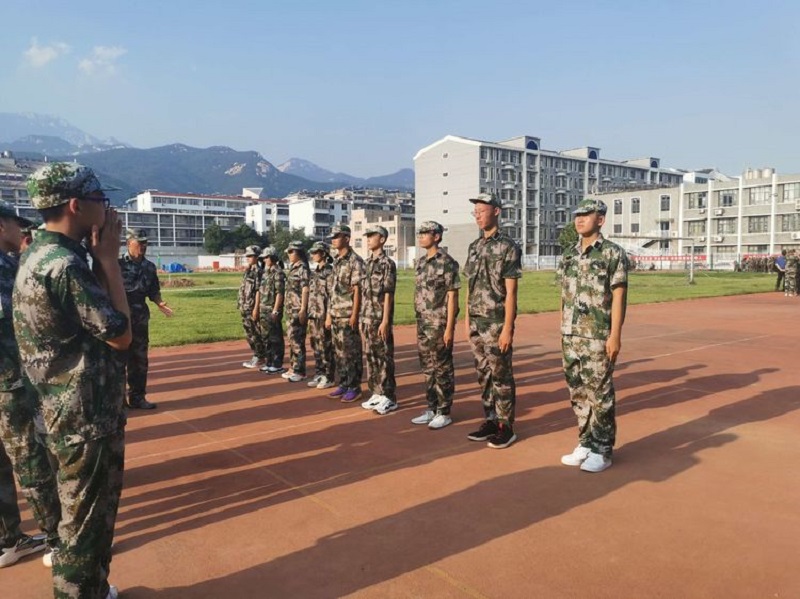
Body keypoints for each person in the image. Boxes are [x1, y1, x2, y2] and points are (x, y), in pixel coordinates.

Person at [16, 162, 132, 598]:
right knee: (85, 524)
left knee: (82, 517)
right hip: (83, 416)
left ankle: (93, 590)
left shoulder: (37, 255)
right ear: (75, 205)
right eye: (100, 199)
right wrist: (110, 262)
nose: (108, 208)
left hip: (59, 408)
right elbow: (120, 334)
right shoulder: (65, 265)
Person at [0, 202, 58, 569]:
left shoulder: (10, 263)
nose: (21, 232)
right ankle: (58, 541)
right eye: (14, 225)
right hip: (11, 383)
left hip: (13, 379)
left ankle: (10, 539)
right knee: (32, 462)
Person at [558, 198, 629, 473]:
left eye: (586, 215)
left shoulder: (612, 253)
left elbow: (619, 296)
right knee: (577, 392)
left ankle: (603, 449)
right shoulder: (568, 254)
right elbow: (564, 295)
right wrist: (562, 328)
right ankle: (586, 442)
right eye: (577, 215)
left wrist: (615, 335)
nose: (579, 219)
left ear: (600, 220)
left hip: (597, 335)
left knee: (600, 393)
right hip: (570, 334)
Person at [463, 193, 521, 449]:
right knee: (483, 375)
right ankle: (490, 419)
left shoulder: (508, 246)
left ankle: (506, 426)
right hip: (476, 322)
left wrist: (508, 328)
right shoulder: (474, 247)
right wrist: (466, 320)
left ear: (496, 211)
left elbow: (511, 292)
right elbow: (470, 286)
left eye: (482, 210)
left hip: (496, 323)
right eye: (475, 211)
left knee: (501, 376)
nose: (477, 215)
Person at [410, 221, 460, 430]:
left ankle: (444, 411)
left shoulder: (447, 263)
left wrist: (449, 328)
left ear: (436, 236)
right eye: (420, 233)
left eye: (425, 233)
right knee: (427, 368)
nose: (421, 236)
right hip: (423, 322)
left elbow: (452, 296)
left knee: (442, 368)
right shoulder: (421, 262)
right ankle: (431, 407)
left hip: (439, 323)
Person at [119, 228, 173, 410]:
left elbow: (153, 290)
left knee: (139, 360)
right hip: (120, 318)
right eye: (139, 243)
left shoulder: (149, 267)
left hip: (140, 319)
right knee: (118, 361)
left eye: (145, 243)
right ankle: (118, 401)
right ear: (129, 243)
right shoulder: (117, 265)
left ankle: (138, 397)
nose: (143, 246)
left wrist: (159, 302)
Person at [358, 226, 398, 415]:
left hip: (379, 317)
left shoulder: (387, 263)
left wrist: (385, 320)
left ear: (382, 239)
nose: (368, 239)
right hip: (367, 317)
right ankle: (376, 392)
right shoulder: (367, 263)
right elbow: (364, 293)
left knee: (384, 357)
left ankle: (389, 397)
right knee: (371, 356)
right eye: (367, 236)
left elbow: (388, 294)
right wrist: (361, 317)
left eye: (372, 236)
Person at [325, 224, 365, 403]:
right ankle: (343, 383)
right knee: (338, 352)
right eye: (332, 237)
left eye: (337, 236)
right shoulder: (336, 261)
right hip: (335, 313)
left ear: (347, 239)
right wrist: (329, 314)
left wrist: (355, 315)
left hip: (348, 313)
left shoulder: (355, 261)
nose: (333, 240)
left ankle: (354, 387)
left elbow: (358, 290)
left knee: (351, 352)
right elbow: (332, 291)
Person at [307, 242, 335, 390]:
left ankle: (329, 376)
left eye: (315, 252)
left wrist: (329, 316)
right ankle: (319, 372)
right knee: (315, 345)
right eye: (312, 252)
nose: (313, 255)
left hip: (324, 314)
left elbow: (332, 296)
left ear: (323, 253)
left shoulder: (329, 272)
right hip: (314, 314)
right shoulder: (315, 272)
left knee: (325, 346)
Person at [282, 241, 310, 383]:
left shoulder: (302, 268)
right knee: (292, 340)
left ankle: (300, 370)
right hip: (290, 309)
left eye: (290, 252)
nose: (288, 255)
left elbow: (305, 289)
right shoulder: (293, 268)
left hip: (298, 309)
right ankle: (293, 367)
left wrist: (303, 308)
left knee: (297, 340)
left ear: (298, 252)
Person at [256, 247, 286, 374]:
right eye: (263, 258)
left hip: (272, 309)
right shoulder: (265, 273)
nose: (264, 260)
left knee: (275, 338)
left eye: (266, 257)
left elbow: (280, 293)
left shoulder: (278, 273)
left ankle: (277, 364)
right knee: (266, 338)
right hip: (264, 309)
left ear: (273, 258)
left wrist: (275, 310)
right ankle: (269, 362)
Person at [239, 245, 265, 369]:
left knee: (255, 333)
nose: (248, 258)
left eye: (250, 256)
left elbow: (259, 291)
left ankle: (260, 356)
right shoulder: (248, 271)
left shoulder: (259, 272)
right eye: (247, 256)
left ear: (257, 257)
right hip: (245, 306)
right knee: (248, 333)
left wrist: (256, 308)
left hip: (252, 307)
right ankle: (257, 354)